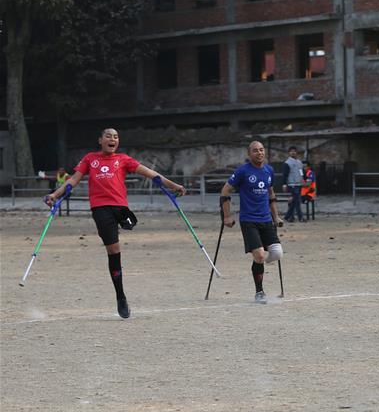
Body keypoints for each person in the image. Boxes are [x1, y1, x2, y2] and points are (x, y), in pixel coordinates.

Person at [44, 128, 186, 318]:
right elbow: (73, 180)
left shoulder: (123, 159)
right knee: (113, 250)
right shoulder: (90, 159)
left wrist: (174, 186)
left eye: (116, 137)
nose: (113, 139)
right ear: (100, 140)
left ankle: (126, 223)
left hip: (120, 207)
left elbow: (152, 174)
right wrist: (54, 195)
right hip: (101, 209)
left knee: (130, 223)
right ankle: (121, 296)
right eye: (109, 136)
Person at [220, 140, 284, 304]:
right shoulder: (242, 171)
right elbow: (225, 190)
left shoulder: (269, 170)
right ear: (249, 154)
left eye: (261, 150)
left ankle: (261, 262)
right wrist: (227, 216)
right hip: (249, 220)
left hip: (266, 219)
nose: (259, 153)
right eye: (255, 150)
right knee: (260, 255)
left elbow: (270, 193)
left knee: (277, 253)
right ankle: (259, 292)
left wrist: (276, 216)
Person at [282, 146, 302, 223]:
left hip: (299, 184)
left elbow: (301, 172)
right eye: (291, 151)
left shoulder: (299, 162)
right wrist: (284, 184)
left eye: (294, 151)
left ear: (297, 152)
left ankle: (287, 216)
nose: (293, 152)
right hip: (292, 184)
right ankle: (300, 217)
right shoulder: (287, 163)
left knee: (294, 202)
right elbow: (285, 175)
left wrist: (302, 179)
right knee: (297, 201)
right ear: (289, 153)